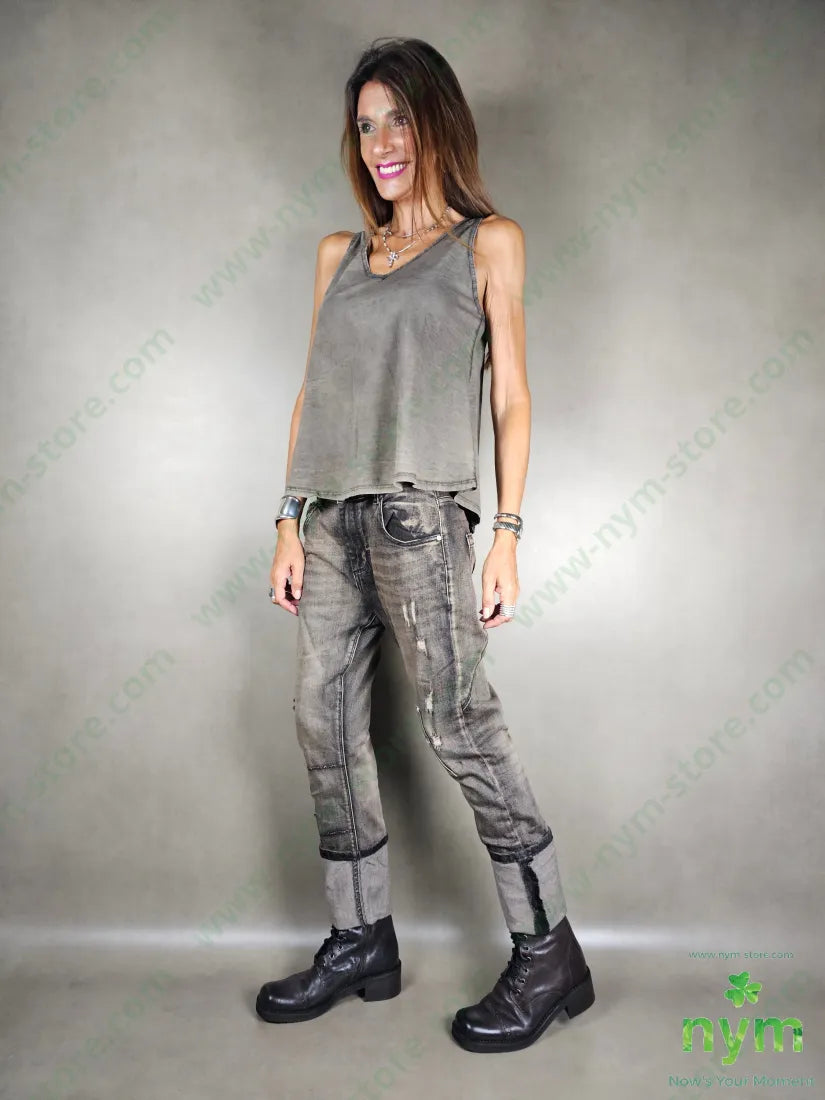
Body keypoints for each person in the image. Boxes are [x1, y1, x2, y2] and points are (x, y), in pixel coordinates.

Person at [256, 36, 594, 1054]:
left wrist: (508, 533)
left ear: (436, 120)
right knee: (321, 724)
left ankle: (548, 949)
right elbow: (315, 394)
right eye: (365, 126)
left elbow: (512, 394)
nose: (381, 143)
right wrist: (287, 518)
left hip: (422, 520)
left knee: (459, 726)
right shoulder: (339, 255)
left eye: (397, 118)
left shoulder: (488, 244)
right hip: (330, 524)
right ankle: (361, 936)